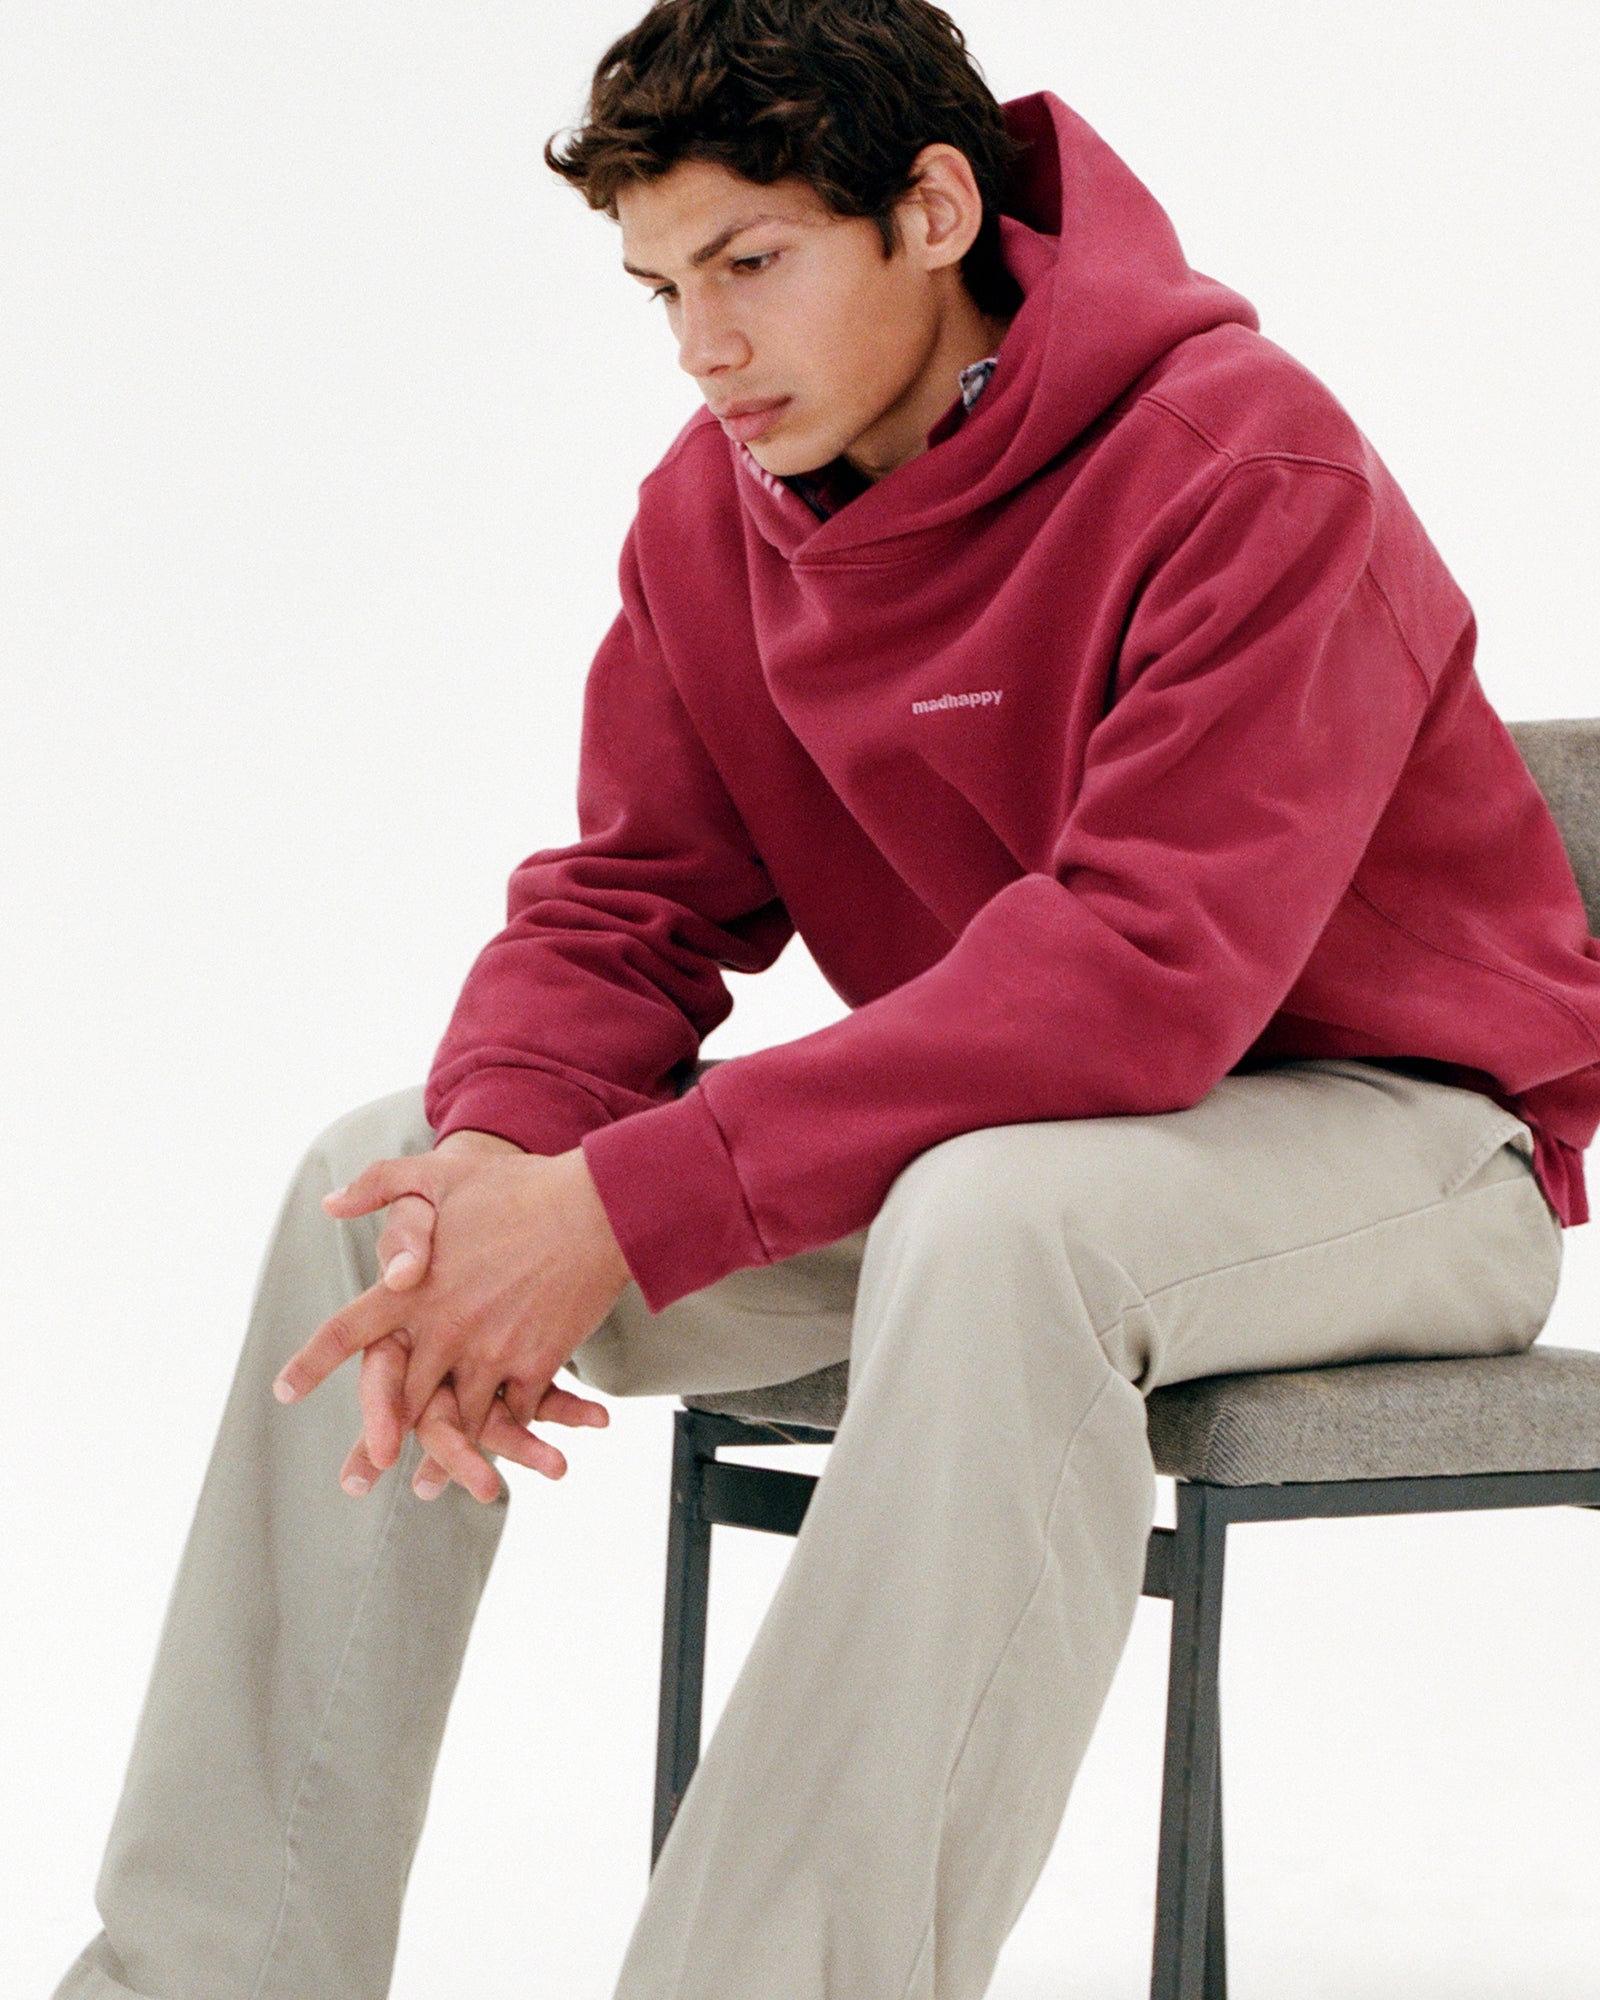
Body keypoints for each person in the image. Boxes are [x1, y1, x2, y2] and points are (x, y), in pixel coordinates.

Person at [54, 2, 1600, 1996]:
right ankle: (202, 1976)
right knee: (387, 1183)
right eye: (661, 289)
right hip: (1003, 1149)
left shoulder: (1248, 465)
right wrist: (508, 1160)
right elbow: (630, 902)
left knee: (1005, 1219)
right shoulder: (712, 516)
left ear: (932, 211)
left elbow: (1140, 977)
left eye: (750, 263)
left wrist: (627, 1203)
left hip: (1408, 1149)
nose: (702, 348)